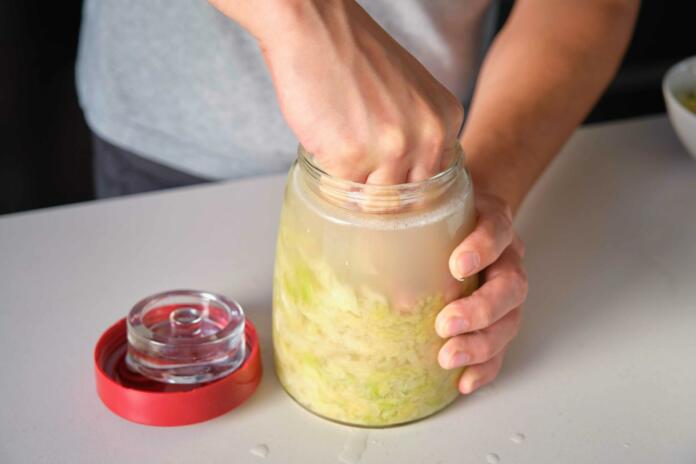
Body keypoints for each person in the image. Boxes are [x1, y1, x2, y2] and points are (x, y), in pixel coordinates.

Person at [76, 0, 639, 394]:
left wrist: (472, 193)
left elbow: (591, 4)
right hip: (168, 153)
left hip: (422, 168)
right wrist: (303, 14)